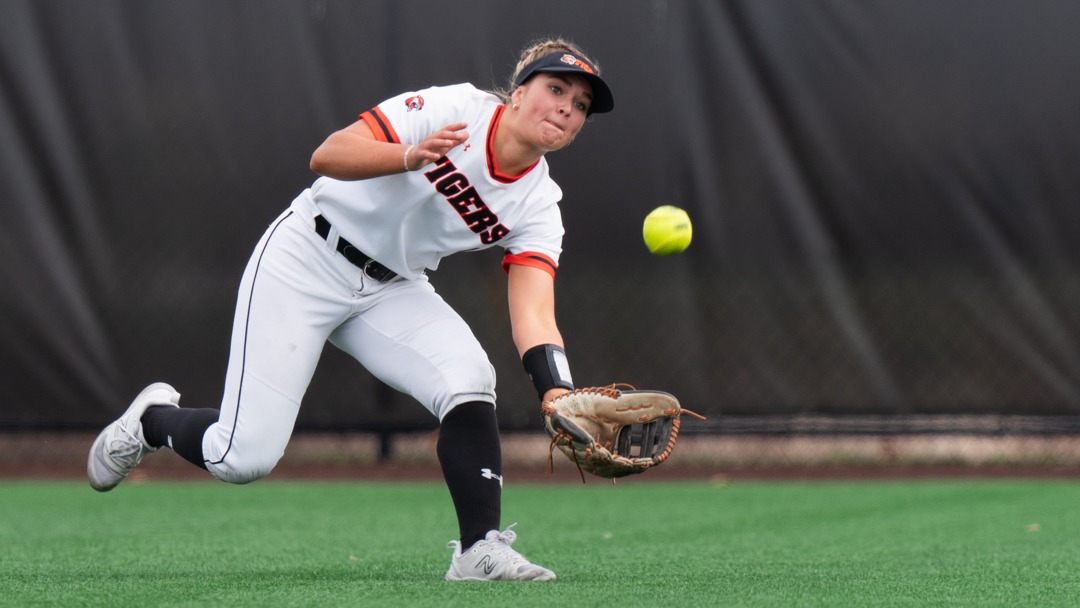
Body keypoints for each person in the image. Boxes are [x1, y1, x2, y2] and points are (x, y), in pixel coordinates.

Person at [87, 37, 613, 581]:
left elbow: (533, 310)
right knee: (241, 458)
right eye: (556, 89)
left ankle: (479, 550)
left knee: (469, 378)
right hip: (307, 255)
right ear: (520, 91)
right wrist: (409, 155)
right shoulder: (454, 111)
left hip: (392, 289)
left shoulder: (538, 206)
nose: (566, 109)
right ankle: (152, 423)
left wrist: (557, 391)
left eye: (580, 107)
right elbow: (328, 154)